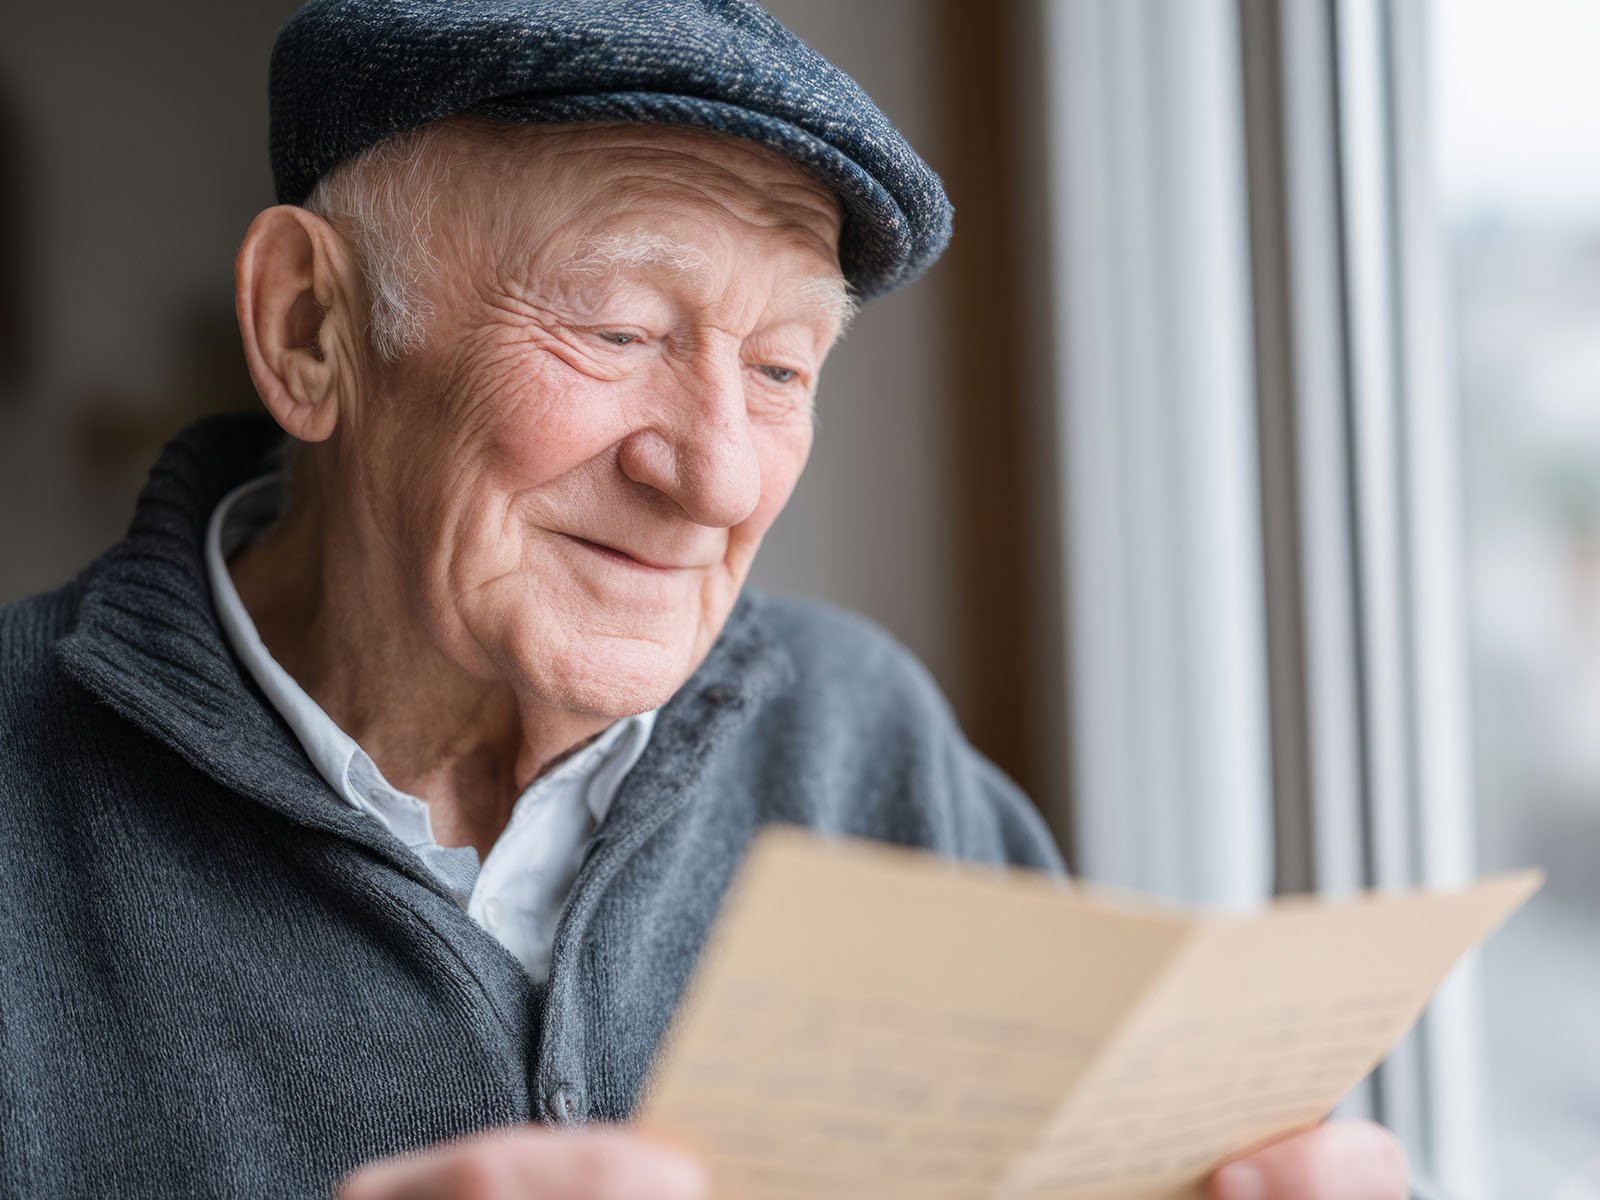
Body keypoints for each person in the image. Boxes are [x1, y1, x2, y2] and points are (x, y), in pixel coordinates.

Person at [0, 1, 1408, 1197]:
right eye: (616, 332)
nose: (722, 479)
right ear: (310, 331)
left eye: (785, 369)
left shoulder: (861, 735)